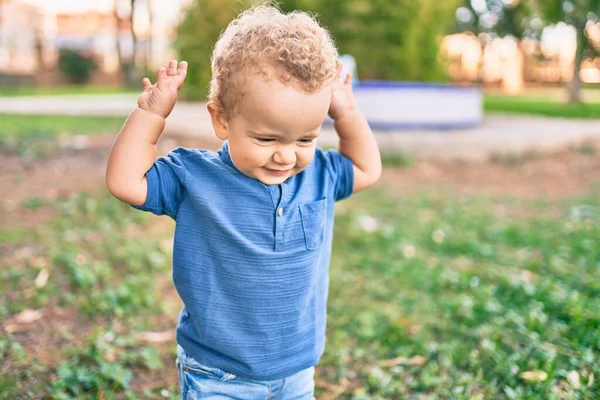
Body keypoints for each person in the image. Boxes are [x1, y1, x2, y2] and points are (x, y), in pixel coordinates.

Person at [105, 4, 381, 399]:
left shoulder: (318, 174)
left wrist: (348, 112)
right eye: (266, 139)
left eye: (305, 138)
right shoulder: (195, 178)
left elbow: (366, 168)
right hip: (219, 375)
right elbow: (124, 180)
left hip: (297, 372)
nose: (287, 156)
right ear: (221, 120)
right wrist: (150, 115)